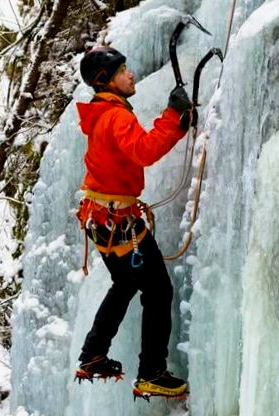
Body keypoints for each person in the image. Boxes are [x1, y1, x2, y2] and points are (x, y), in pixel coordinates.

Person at [73, 45, 193, 400]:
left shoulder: (102, 113)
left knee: (126, 283)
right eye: (123, 70)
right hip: (117, 221)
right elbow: (144, 150)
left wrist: (176, 121)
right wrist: (173, 116)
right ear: (106, 80)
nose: (131, 74)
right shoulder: (115, 116)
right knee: (158, 290)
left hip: (103, 219)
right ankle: (151, 372)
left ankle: (93, 354)